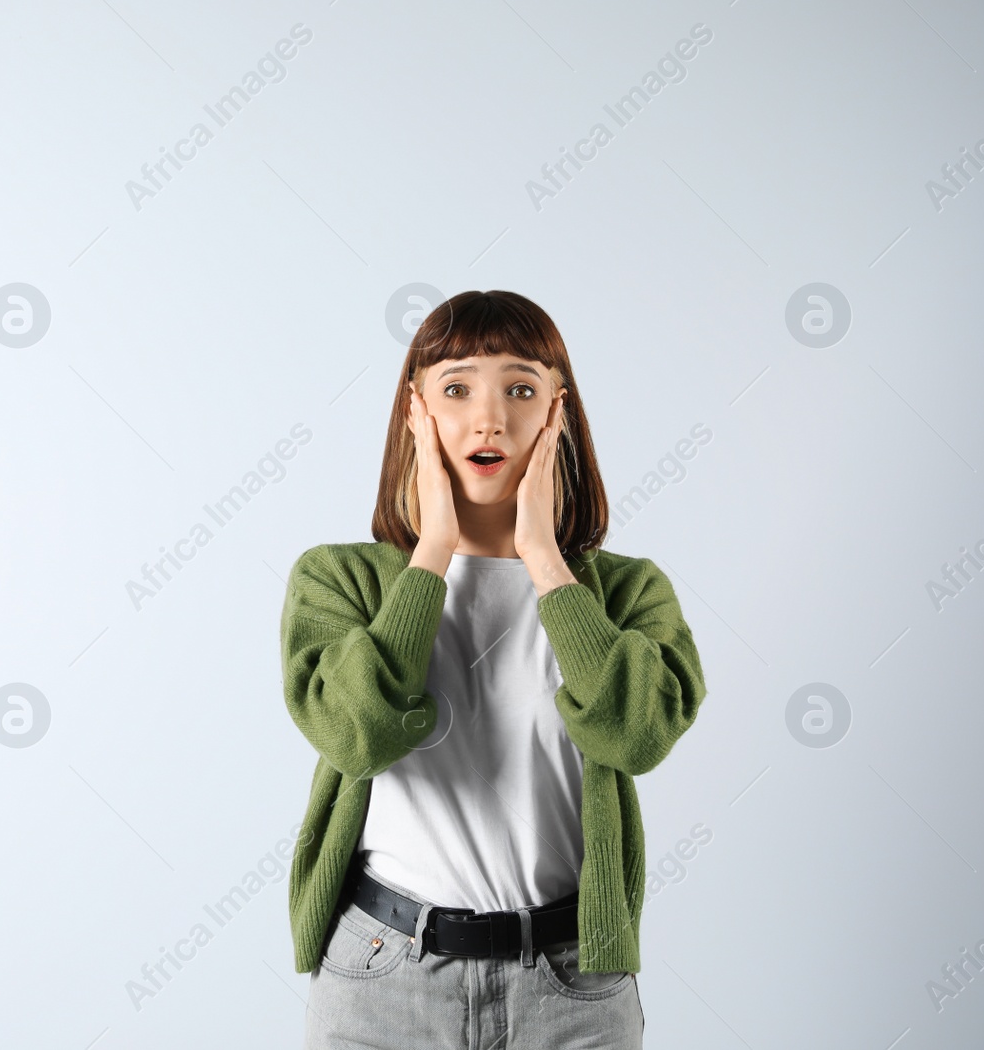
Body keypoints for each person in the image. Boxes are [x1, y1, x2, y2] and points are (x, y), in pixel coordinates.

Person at [280, 290, 708, 1048]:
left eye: (520, 387)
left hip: (573, 987)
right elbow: (357, 735)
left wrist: (545, 560)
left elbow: (637, 736)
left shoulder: (628, 591)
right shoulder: (337, 580)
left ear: (557, 413)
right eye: (456, 387)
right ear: (415, 410)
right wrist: (432, 553)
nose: (490, 418)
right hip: (383, 978)